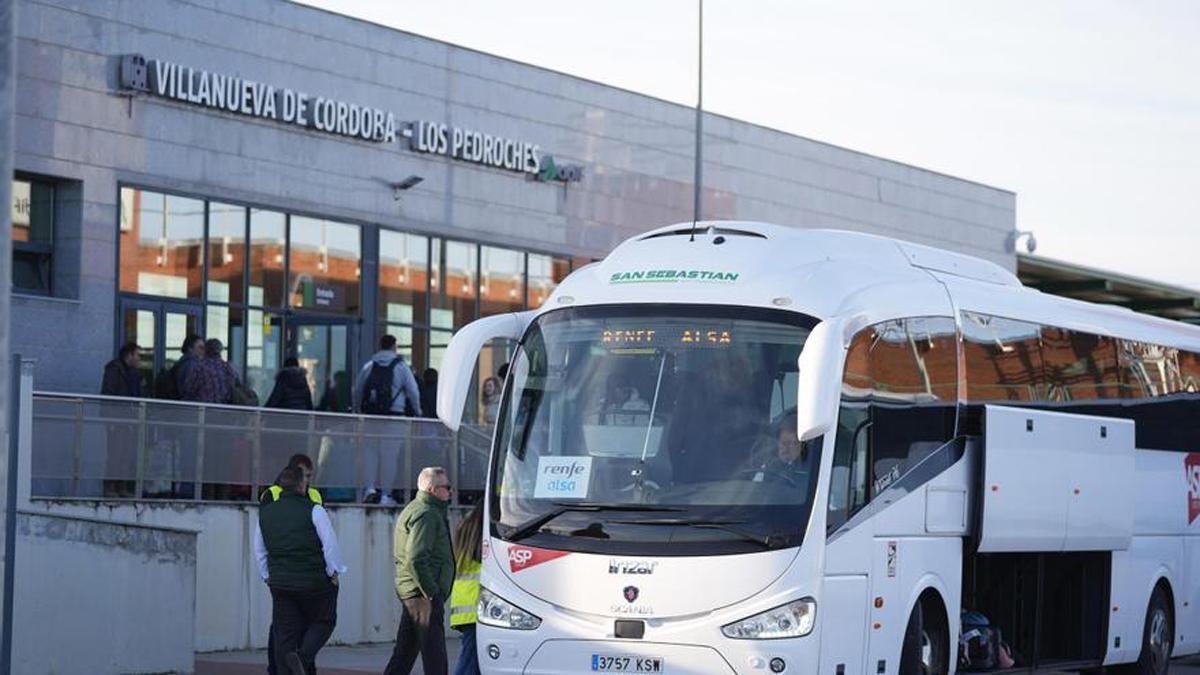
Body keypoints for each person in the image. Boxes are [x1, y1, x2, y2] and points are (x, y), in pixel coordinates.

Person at [255, 466, 346, 675]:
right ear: (301, 485)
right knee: (324, 620)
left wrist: (267, 576)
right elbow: (330, 544)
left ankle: (288, 668)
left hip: (279, 583)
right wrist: (334, 571)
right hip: (313, 582)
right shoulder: (315, 509)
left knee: (285, 636)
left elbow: (259, 549)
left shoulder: (266, 513)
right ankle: (303, 658)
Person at [384, 467, 455, 675]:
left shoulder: (418, 509)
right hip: (423, 595)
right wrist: (432, 591)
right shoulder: (427, 514)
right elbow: (415, 557)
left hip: (414, 592)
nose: (450, 492)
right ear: (433, 489)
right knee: (435, 655)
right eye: (447, 487)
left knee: (404, 654)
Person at [260, 454, 324, 675]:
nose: (307, 481)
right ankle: (277, 669)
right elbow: (265, 533)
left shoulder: (315, 495)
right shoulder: (271, 495)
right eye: (304, 476)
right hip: (284, 570)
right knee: (282, 628)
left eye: (309, 476)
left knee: (303, 624)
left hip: (307, 571)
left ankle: (305, 667)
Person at [448, 504, 484, 675]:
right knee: (470, 661)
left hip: (464, 604)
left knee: (473, 660)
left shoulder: (464, 527)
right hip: (476, 604)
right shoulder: (481, 533)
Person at [353, 335, 421, 417]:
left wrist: (357, 409)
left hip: (372, 412)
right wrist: (417, 410)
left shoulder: (369, 366)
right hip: (396, 411)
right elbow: (413, 390)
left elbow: (358, 389)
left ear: (380, 346)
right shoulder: (402, 367)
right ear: (394, 347)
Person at [183, 338, 239, 404]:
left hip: (203, 409)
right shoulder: (229, 368)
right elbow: (235, 387)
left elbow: (188, 389)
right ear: (220, 350)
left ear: (206, 350)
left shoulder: (200, 367)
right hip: (224, 408)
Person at [157, 334, 204, 400]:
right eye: (200, 347)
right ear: (190, 349)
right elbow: (187, 389)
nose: (203, 351)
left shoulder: (181, 363)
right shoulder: (191, 365)